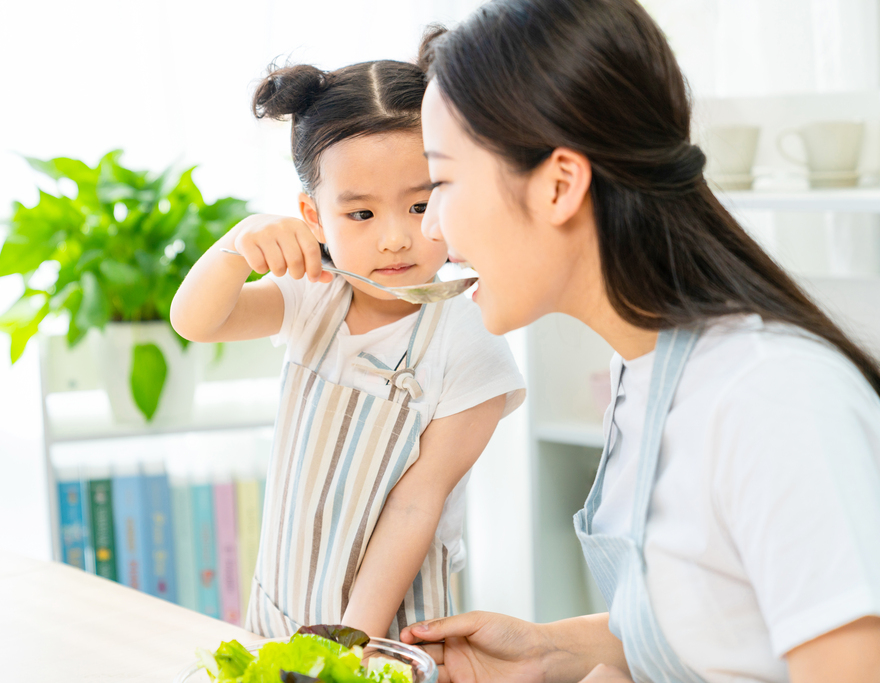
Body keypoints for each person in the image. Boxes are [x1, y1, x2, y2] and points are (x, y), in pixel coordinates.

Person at [398, 1, 880, 682]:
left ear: (561, 183)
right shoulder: (648, 371)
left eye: (441, 182)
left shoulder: (773, 397)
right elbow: (725, 628)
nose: (431, 232)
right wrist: (549, 652)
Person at [170, 58, 525, 640]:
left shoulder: (471, 337)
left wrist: (348, 651)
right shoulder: (312, 295)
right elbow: (196, 322)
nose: (395, 237)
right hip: (280, 606)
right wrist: (236, 246)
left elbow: (415, 508)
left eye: (420, 204)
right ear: (313, 217)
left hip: (386, 629)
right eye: (360, 213)